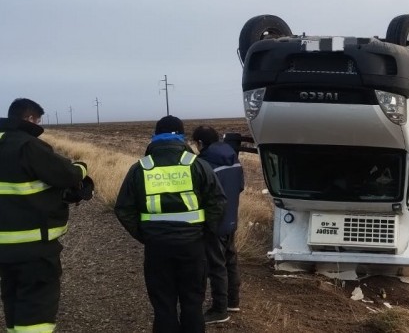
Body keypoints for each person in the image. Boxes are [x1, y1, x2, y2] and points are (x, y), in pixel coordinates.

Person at [114, 116, 226, 333]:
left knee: (163, 306)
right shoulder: (198, 165)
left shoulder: (140, 168)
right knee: (192, 303)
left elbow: (123, 209)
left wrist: (145, 234)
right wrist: (205, 233)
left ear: (155, 136)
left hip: (157, 246)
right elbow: (218, 201)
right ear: (183, 137)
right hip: (192, 245)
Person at [0, 98, 89, 333]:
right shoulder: (27, 145)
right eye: (37, 121)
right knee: (36, 306)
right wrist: (81, 167)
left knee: (13, 299)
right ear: (29, 118)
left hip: (3, 249)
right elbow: (66, 175)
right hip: (34, 247)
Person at [191, 126, 244, 325]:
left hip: (214, 222)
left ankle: (220, 309)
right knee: (230, 260)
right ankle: (233, 301)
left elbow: (200, 195)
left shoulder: (204, 164)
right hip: (231, 218)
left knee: (216, 266)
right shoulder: (233, 158)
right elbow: (240, 186)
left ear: (201, 143)